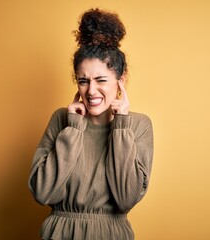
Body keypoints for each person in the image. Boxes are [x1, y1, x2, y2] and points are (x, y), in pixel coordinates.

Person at [28, 8, 154, 240]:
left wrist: (121, 127)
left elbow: (126, 197)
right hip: (60, 234)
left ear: (121, 80)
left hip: (111, 234)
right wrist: (74, 129)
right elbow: (42, 192)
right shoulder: (62, 119)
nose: (91, 90)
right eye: (83, 81)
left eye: (101, 80)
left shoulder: (138, 125)